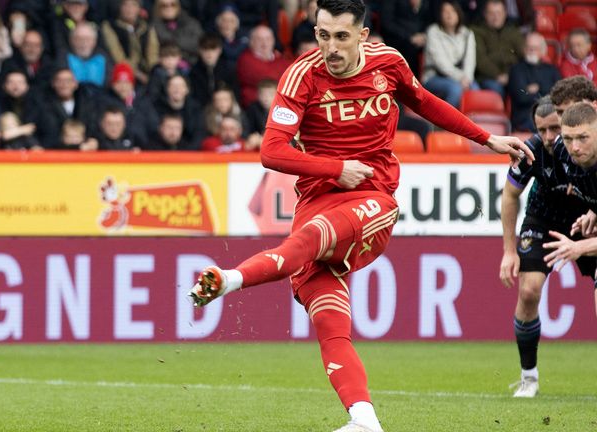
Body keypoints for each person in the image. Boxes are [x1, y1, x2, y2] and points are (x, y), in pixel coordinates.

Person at [187, 1, 530, 431]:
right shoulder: (301, 75)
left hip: (372, 199)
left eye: (341, 37)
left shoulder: (389, 63)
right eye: (322, 35)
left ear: (362, 36)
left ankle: (232, 279)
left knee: (312, 238)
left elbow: (424, 102)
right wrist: (335, 168)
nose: (330, 47)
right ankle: (364, 420)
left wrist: (485, 138)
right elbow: (271, 151)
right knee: (330, 324)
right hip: (316, 200)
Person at [498, 93, 596, 399]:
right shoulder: (535, 150)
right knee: (528, 291)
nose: (551, 138)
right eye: (543, 130)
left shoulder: (577, 152)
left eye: (557, 130)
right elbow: (510, 195)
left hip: (585, 222)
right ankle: (529, 377)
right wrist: (509, 250)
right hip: (543, 220)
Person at [542, 102, 597, 308]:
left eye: (583, 137)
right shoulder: (560, 150)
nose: (575, 147)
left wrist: (578, 247)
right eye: (568, 138)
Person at [422, 0, 477, 109]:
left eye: (452, 11)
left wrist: (467, 79)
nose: (449, 15)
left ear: (458, 13)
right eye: (445, 11)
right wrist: (461, 78)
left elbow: (470, 61)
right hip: (435, 76)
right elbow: (441, 63)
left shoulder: (468, 34)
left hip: (462, 78)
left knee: (475, 89)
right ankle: (444, 123)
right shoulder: (433, 31)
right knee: (455, 89)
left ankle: (469, 124)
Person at [508, 32, 560, 132]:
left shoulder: (552, 70)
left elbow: (559, 95)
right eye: (528, 47)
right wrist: (546, 92)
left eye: (535, 48)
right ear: (524, 49)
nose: (531, 51)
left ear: (542, 51)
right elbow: (522, 97)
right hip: (525, 118)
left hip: (551, 115)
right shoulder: (516, 70)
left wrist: (536, 90)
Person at [471, 0, 523, 98]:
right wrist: (498, 75)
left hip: (512, 75)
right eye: (491, 13)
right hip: (487, 77)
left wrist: (512, 76)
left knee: (522, 88)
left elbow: (523, 54)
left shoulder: (513, 31)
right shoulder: (477, 31)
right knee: (495, 88)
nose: (496, 17)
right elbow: (481, 60)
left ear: (505, 13)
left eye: (499, 13)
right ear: (485, 14)